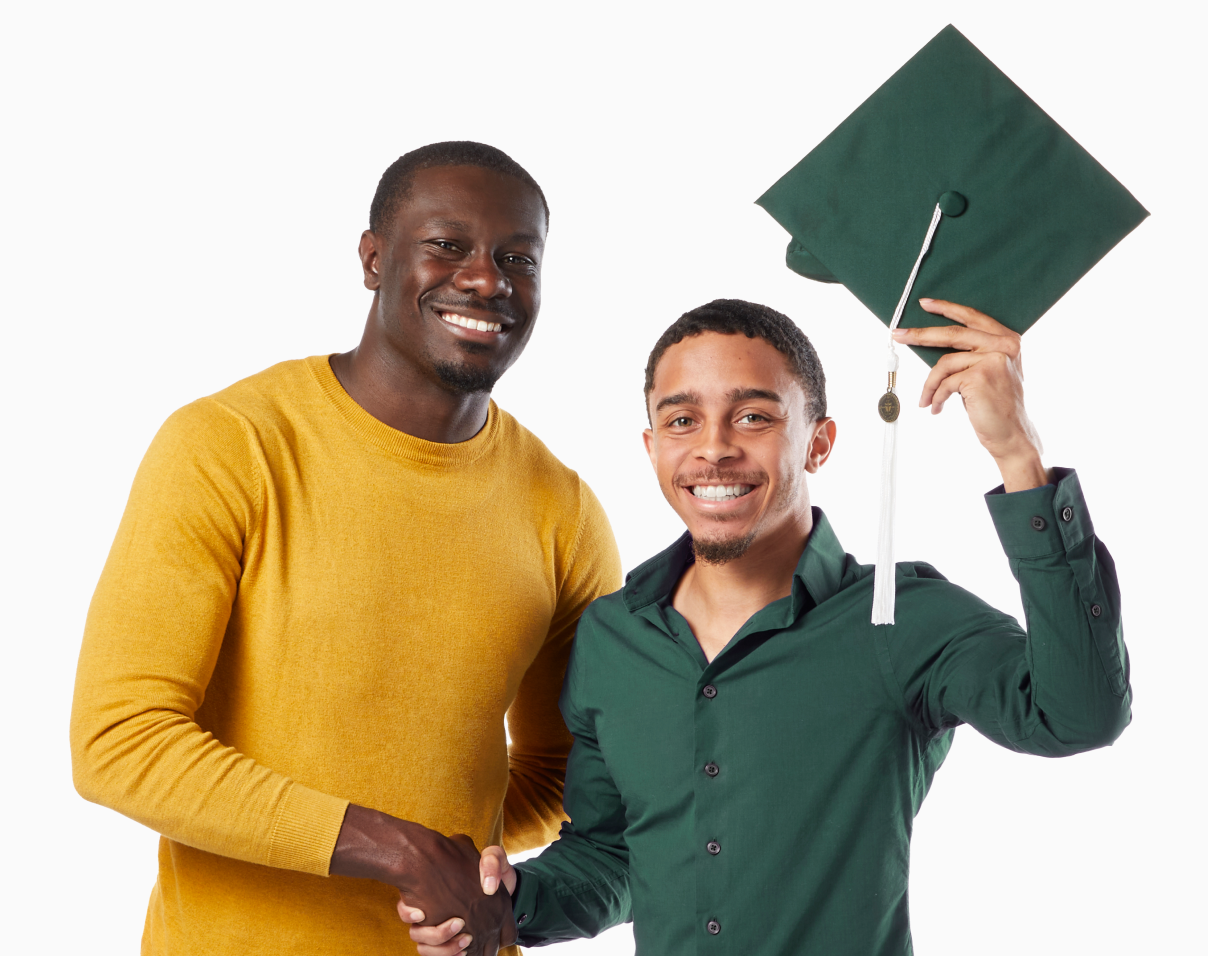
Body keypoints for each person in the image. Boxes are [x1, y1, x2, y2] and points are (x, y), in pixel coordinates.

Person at [409, 297, 1131, 956]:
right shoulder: (613, 637)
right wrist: (505, 905)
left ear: (818, 443)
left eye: (754, 416)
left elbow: (1079, 715)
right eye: (682, 419)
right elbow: (614, 853)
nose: (714, 447)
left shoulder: (902, 618)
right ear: (652, 445)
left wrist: (1018, 458)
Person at [70, 141, 621, 956]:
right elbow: (119, 740)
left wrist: (472, 874)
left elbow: (575, 774)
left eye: (517, 257)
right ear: (372, 260)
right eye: (447, 245)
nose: (485, 279)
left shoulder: (564, 510)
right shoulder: (229, 447)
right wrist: (394, 848)